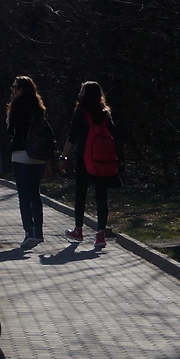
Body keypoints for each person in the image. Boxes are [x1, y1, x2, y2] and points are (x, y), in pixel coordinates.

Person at [58, 81, 121, 249]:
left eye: (82, 91)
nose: (79, 93)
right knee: (101, 197)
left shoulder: (81, 112)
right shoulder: (105, 113)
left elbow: (72, 136)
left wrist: (63, 157)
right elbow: (113, 132)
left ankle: (78, 230)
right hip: (101, 160)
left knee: (81, 194)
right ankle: (100, 235)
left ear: (85, 95)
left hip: (83, 158)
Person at [5, 75, 50, 249]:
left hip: (21, 155)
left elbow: (11, 130)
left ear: (22, 89)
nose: (13, 91)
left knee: (24, 195)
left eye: (15, 87)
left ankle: (29, 232)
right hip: (38, 156)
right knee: (35, 193)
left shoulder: (16, 106)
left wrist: (9, 118)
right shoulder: (39, 108)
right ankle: (39, 232)